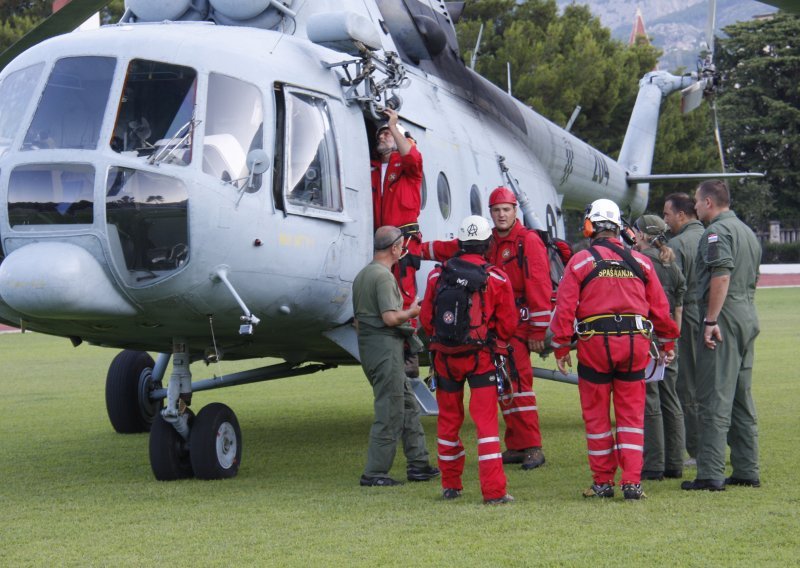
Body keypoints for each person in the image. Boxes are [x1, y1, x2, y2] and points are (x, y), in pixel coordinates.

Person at [550, 199, 679, 500]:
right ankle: (632, 482)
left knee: (596, 418)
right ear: (620, 228)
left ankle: (603, 483)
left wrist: (559, 348)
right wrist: (668, 342)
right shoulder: (643, 262)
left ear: (590, 226)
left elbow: (565, 309)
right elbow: (661, 310)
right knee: (632, 417)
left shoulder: (581, 261)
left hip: (595, 346)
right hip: (634, 346)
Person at [420, 187, 552, 470]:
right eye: (496, 210)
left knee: (519, 385)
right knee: (504, 386)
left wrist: (539, 331)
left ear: (515, 211)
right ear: (490, 213)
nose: (502, 214)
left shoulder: (527, 241)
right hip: (491, 328)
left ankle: (532, 447)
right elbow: (449, 248)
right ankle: (516, 445)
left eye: (506, 209)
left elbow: (539, 284)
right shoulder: (486, 239)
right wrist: (414, 249)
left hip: (515, 324)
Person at [420, 216, 518, 504]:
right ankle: (494, 492)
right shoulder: (497, 278)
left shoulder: (437, 275)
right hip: (481, 358)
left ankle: (451, 485)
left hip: (445, 359)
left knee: (448, 422)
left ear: (459, 243)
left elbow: (427, 319)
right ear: (488, 243)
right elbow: (508, 324)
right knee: (486, 426)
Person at [681, 180, 761, 491]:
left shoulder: (715, 233)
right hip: (747, 314)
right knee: (741, 396)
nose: (695, 207)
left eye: (697, 202)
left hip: (723, 316)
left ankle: (710, 472)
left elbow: (721, 275)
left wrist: (710, 319)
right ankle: (746, 468)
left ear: (709, 203)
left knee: (713, 394)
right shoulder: (746, 231)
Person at [352, 226, 440, 487]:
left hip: (374, 351)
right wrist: (413, 312)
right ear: (394, 248)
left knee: (408, 407)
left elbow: (358, 321)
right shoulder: (383, 277)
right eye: (402, 245)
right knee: (390, 411)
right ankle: (375, 473)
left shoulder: (363, 275)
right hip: (385, 353)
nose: (404, 250)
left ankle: (419, 465)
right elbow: (390, 317)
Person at [633, 215, 687, 481]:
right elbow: (678, 306)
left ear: (642, 235)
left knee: (650, 399)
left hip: (648, 337)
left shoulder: (641, 263)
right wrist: (672, 342)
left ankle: (653, 463)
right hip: (669, 338)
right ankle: (675, 461)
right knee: (670, 398)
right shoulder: (671, 265)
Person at [663, 192, 705, 466]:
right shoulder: (713, 235)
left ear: (681, 215)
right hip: (713, 314)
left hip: (688, 315)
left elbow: (672, 291)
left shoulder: (676, 245)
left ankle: (696, 450)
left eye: (667, 214)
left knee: (686, 384)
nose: (665, 221)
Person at [371, 108, 424, 316]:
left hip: (404, 242)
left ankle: (407, 343)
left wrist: (393, 126)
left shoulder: (408, 167)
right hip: (380, 241)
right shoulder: (372, 169)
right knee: (380, 293)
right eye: (381, 134)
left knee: (403, 292)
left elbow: (413, 157)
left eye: (388, 134)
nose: (383, 136)